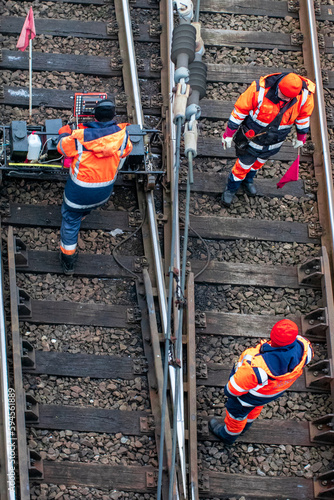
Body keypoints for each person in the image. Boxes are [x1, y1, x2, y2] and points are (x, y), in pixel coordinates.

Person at [57, 99, 132, 274]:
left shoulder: (79, 138)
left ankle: (68, 261)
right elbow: (127, 150)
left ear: (95, 116)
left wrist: (64, 132)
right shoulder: (122, 136)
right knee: (85, 208)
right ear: (114, 115)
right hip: (103, 194)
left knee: (70, 220)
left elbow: (61, 147)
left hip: (78, 194)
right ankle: (85, 213)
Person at [209, 319, 313, 445]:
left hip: (246, 398)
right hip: (268, 393)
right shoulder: (305, 349)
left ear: (272, 337)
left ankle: (228, 435)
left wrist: (229, 392)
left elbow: (232, 389)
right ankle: (246, 425)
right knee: (255, 408)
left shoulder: (257, 367)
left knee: (236, 415)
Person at [221, 72, 315, 206]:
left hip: (274, 142)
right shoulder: (259, 90)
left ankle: (248, 181)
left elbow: (303, 118)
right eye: (283, 95)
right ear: (278, 87)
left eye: (290, 98)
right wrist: (228, 134)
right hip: (251, 141)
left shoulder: (305, 95)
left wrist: (301, 137)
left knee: (258, 163)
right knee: (243, 166)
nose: (286, 100)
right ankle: (231, 189)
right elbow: (239, 112)